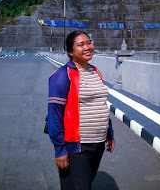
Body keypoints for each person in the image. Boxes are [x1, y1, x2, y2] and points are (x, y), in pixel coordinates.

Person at [48, 30, 115, 190]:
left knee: (85, 182)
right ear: (70, 52)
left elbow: (100, 104)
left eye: (89, 43)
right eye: (81, 44)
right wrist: (60, 149)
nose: (87, 47)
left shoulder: (95, 71)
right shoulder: (63, 75)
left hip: (97, 143)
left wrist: (109, 132)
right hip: (77, 147)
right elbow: (54, 114)